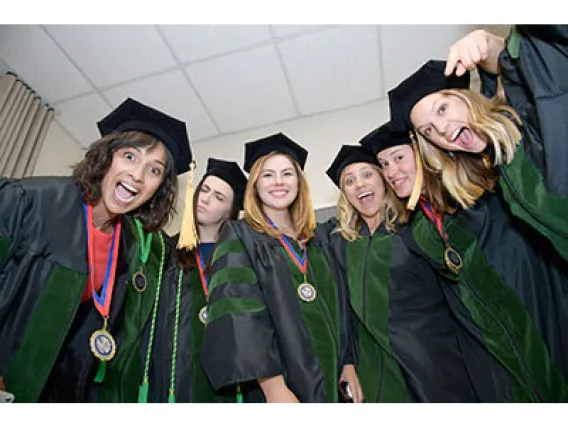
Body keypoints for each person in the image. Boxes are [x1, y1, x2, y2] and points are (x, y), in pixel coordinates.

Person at [387, 26, 568, 388]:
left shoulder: (527, 126)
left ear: (465, 97)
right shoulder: (494, 168)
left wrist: (495, 49)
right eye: (428, 131)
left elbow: (545, 76)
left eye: (442, 107)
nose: (441, 127)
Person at [0, 97, 192, 402]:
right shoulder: (30, 201)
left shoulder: (128, 246)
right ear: (106, 156)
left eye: (154, 170)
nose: (138, 176)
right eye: (130, 156)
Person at [361, 121, 568, 402]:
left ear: (422, 153)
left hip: (537, 308)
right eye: (383, 164)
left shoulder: (474, 189)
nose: (391, 172)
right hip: (491, 341)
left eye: (399, 158)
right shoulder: (417, 228)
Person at [201, 132, 361, 402]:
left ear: (299, 182)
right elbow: (240, 313)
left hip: (334, 379)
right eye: (267, 175)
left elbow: (342, 306)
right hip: (280, 386)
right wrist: (274, 388)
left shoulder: (318, 238)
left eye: (287, 173)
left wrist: (348, 364)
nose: (278, 181)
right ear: (255, 185)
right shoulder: (240, 235)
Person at [136, 157, 249, 403]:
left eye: (219, 197)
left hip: (227, 372)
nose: (206, 199)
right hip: (175, 372)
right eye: (205, 190)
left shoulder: (240, 256)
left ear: (229, 212)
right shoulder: (167, 251)